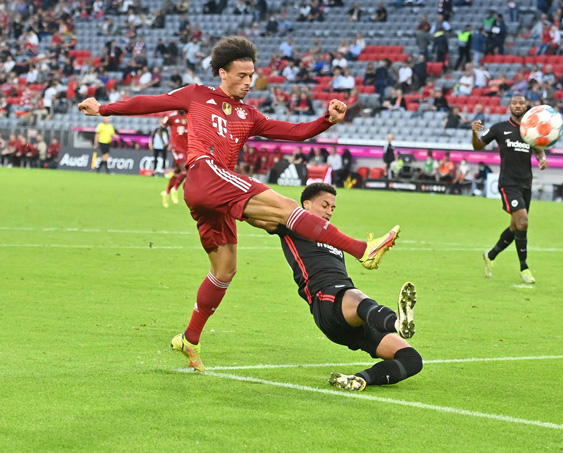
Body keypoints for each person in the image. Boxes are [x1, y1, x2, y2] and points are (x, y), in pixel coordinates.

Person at [78, 36, 400, 372]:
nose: (249, 82)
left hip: (217, 195)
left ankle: (190, 338)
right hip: (205, 172)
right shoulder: (198, 95)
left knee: (225, 269)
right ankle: (362, 249)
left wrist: (326, 121)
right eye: (242, 75)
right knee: (287, 206)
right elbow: (151, 102)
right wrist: (104, 108)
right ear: (222, 72)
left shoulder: (249, 115)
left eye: (251, 75)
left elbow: (295, 130)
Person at [248, 183, 421, 391]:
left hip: (349, 319)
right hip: (326, 301)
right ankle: (397, 322)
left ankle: (359, 379)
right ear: (307, 205)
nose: (329, 211)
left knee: (412, 359)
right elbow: (254, 216)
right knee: (356, 297)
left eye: (332, 208)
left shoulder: (331, 236)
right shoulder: (289, 225)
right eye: (325, 205)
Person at [472, 94, 548, 284]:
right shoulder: (500, 128)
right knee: (523, 222)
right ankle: (524, 268)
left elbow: (538, 148)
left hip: (526, 184)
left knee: (515, 228)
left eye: (521, 103)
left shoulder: (531, 129)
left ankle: (490, 255)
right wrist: (474, 133)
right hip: (508, 183)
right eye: (514, 103)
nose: (518, 106)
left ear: (526, 106)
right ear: (510, 106)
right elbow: (478, 146)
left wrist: (542, 158)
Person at [160, 110, 189, 207]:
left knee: (177, 171)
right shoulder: (171, 116)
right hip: (176, 147)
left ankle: (166, 192)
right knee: (185, 169)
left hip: (187, 148)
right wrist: (164, 142)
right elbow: (161, 128)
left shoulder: (189, 115)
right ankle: (175, 188)